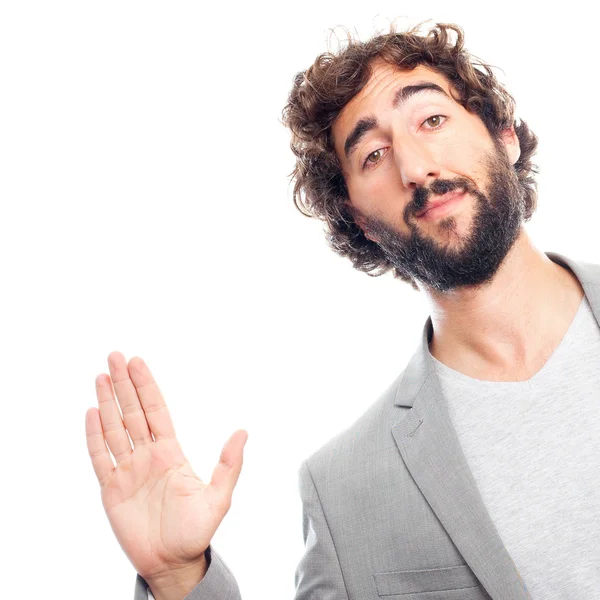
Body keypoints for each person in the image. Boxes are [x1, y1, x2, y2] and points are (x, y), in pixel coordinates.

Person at [85, 22, 600, 600]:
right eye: (374, 154)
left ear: (504, 137)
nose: (415, 168)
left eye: (432, 120)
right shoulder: (345, 491)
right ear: (359, 219)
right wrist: (179, 578)